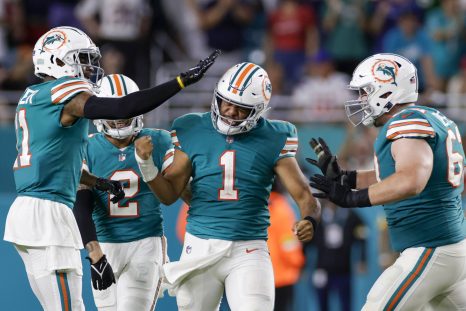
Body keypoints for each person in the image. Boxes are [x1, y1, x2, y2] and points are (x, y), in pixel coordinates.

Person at [3, 25, 219, 310]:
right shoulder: (61, 92)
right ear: (56, 61)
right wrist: (179, 82)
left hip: (26, 212)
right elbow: (121, 108)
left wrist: (98, 183)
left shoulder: (32, 96)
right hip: (50, 214)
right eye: (79, 59)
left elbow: (55, 162)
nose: (87, 67)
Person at [133, 62, 321, 311]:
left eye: (241, 108)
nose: (230, 111)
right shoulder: (192, 127)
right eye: (226, 102)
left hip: (249, 248)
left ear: (258, 110)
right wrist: (146, 165)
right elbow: (169, 195)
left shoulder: (275, 136)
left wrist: (310, 219)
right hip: (200, 245)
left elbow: (305, 196)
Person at [309, 53, 466, 310]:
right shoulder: (431, 117)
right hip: (448, 248)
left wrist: (352, 199)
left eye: (365, 91)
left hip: (430, 247)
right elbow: (399, 173)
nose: (361, 99)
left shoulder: (405, 123)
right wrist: (348, 178)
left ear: (386, 90)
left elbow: (411, 180)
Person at [72, 74, 174, 310]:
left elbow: (174, 192)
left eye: (125, 112)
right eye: (113, 112)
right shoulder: (86, 145)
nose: (119, 120)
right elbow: (82, 203)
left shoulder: (158, 140)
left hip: (145, 242)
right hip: (104, 245)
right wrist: (94, 252)